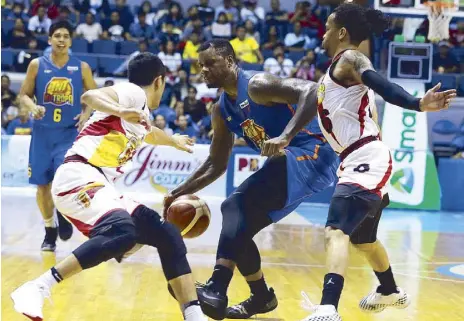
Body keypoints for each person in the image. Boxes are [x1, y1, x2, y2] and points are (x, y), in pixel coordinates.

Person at [276, 4, 456, 321]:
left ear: (342, 32)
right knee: (363, 239)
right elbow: (364, 114)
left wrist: (417, 103)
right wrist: (287, 137)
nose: (324, 32)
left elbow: (382, 84)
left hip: (365, 157)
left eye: (329, 27)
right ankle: (389, 290)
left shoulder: (351, 60)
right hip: (360, 158)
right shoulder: (333, 77)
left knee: (335, 231)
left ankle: (328, 308)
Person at [11, 52, 207, 321]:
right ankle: (38, 286)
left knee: (166, 234)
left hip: (99, 184)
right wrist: (119, 110)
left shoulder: (141, 113)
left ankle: (195, 316)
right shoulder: (132, 93)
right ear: (159, 81)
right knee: (122, 231)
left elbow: (149, 133)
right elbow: (89, 97)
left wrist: (173, 141)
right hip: (79, 175)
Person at [163, 39, 339, 320]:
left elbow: (311, 90)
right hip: (288, 162)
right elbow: (217, 163)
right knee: (239, 226)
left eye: (210, 63)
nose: (203, 71)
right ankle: (261, 297)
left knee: (233, 205)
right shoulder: (220, 109)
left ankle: (216, 288)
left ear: (230, 62)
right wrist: (178, 191)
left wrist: (285, 136)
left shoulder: (257, 85)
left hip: (314, 152)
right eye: (200, 66)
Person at [19, 20, 98, 252]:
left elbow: (93, 95)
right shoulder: (36, 65)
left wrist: (87, 114)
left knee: (63, 181)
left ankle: (63, 213)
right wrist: (33, 108)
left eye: (65, 36)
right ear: (50, 39)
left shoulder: (81, 67)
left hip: (68, 134)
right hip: (42, 135)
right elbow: (23, 95)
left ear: (71, 40)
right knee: (42, 186)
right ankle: (49, 229)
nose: (61, 40)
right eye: (57, 36)